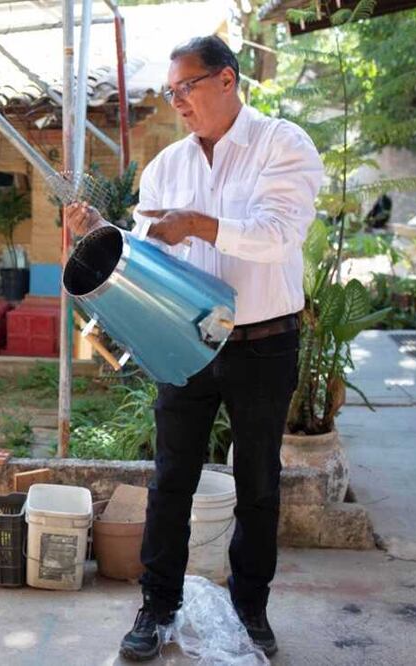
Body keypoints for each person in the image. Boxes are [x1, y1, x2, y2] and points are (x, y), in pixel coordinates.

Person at [67, 35, 323, 661]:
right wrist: (105, 235)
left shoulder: (281, 145)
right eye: (171, 91)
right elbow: (151, 256)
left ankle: (251, 610)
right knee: (171, 478)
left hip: (263, 341)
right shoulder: (166, 166)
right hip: (183, 340)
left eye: (187, 87)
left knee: (258, 480)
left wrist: (200, 224)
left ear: (228, 80)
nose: (177, 102)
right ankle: (156, 608)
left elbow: (279, 236)